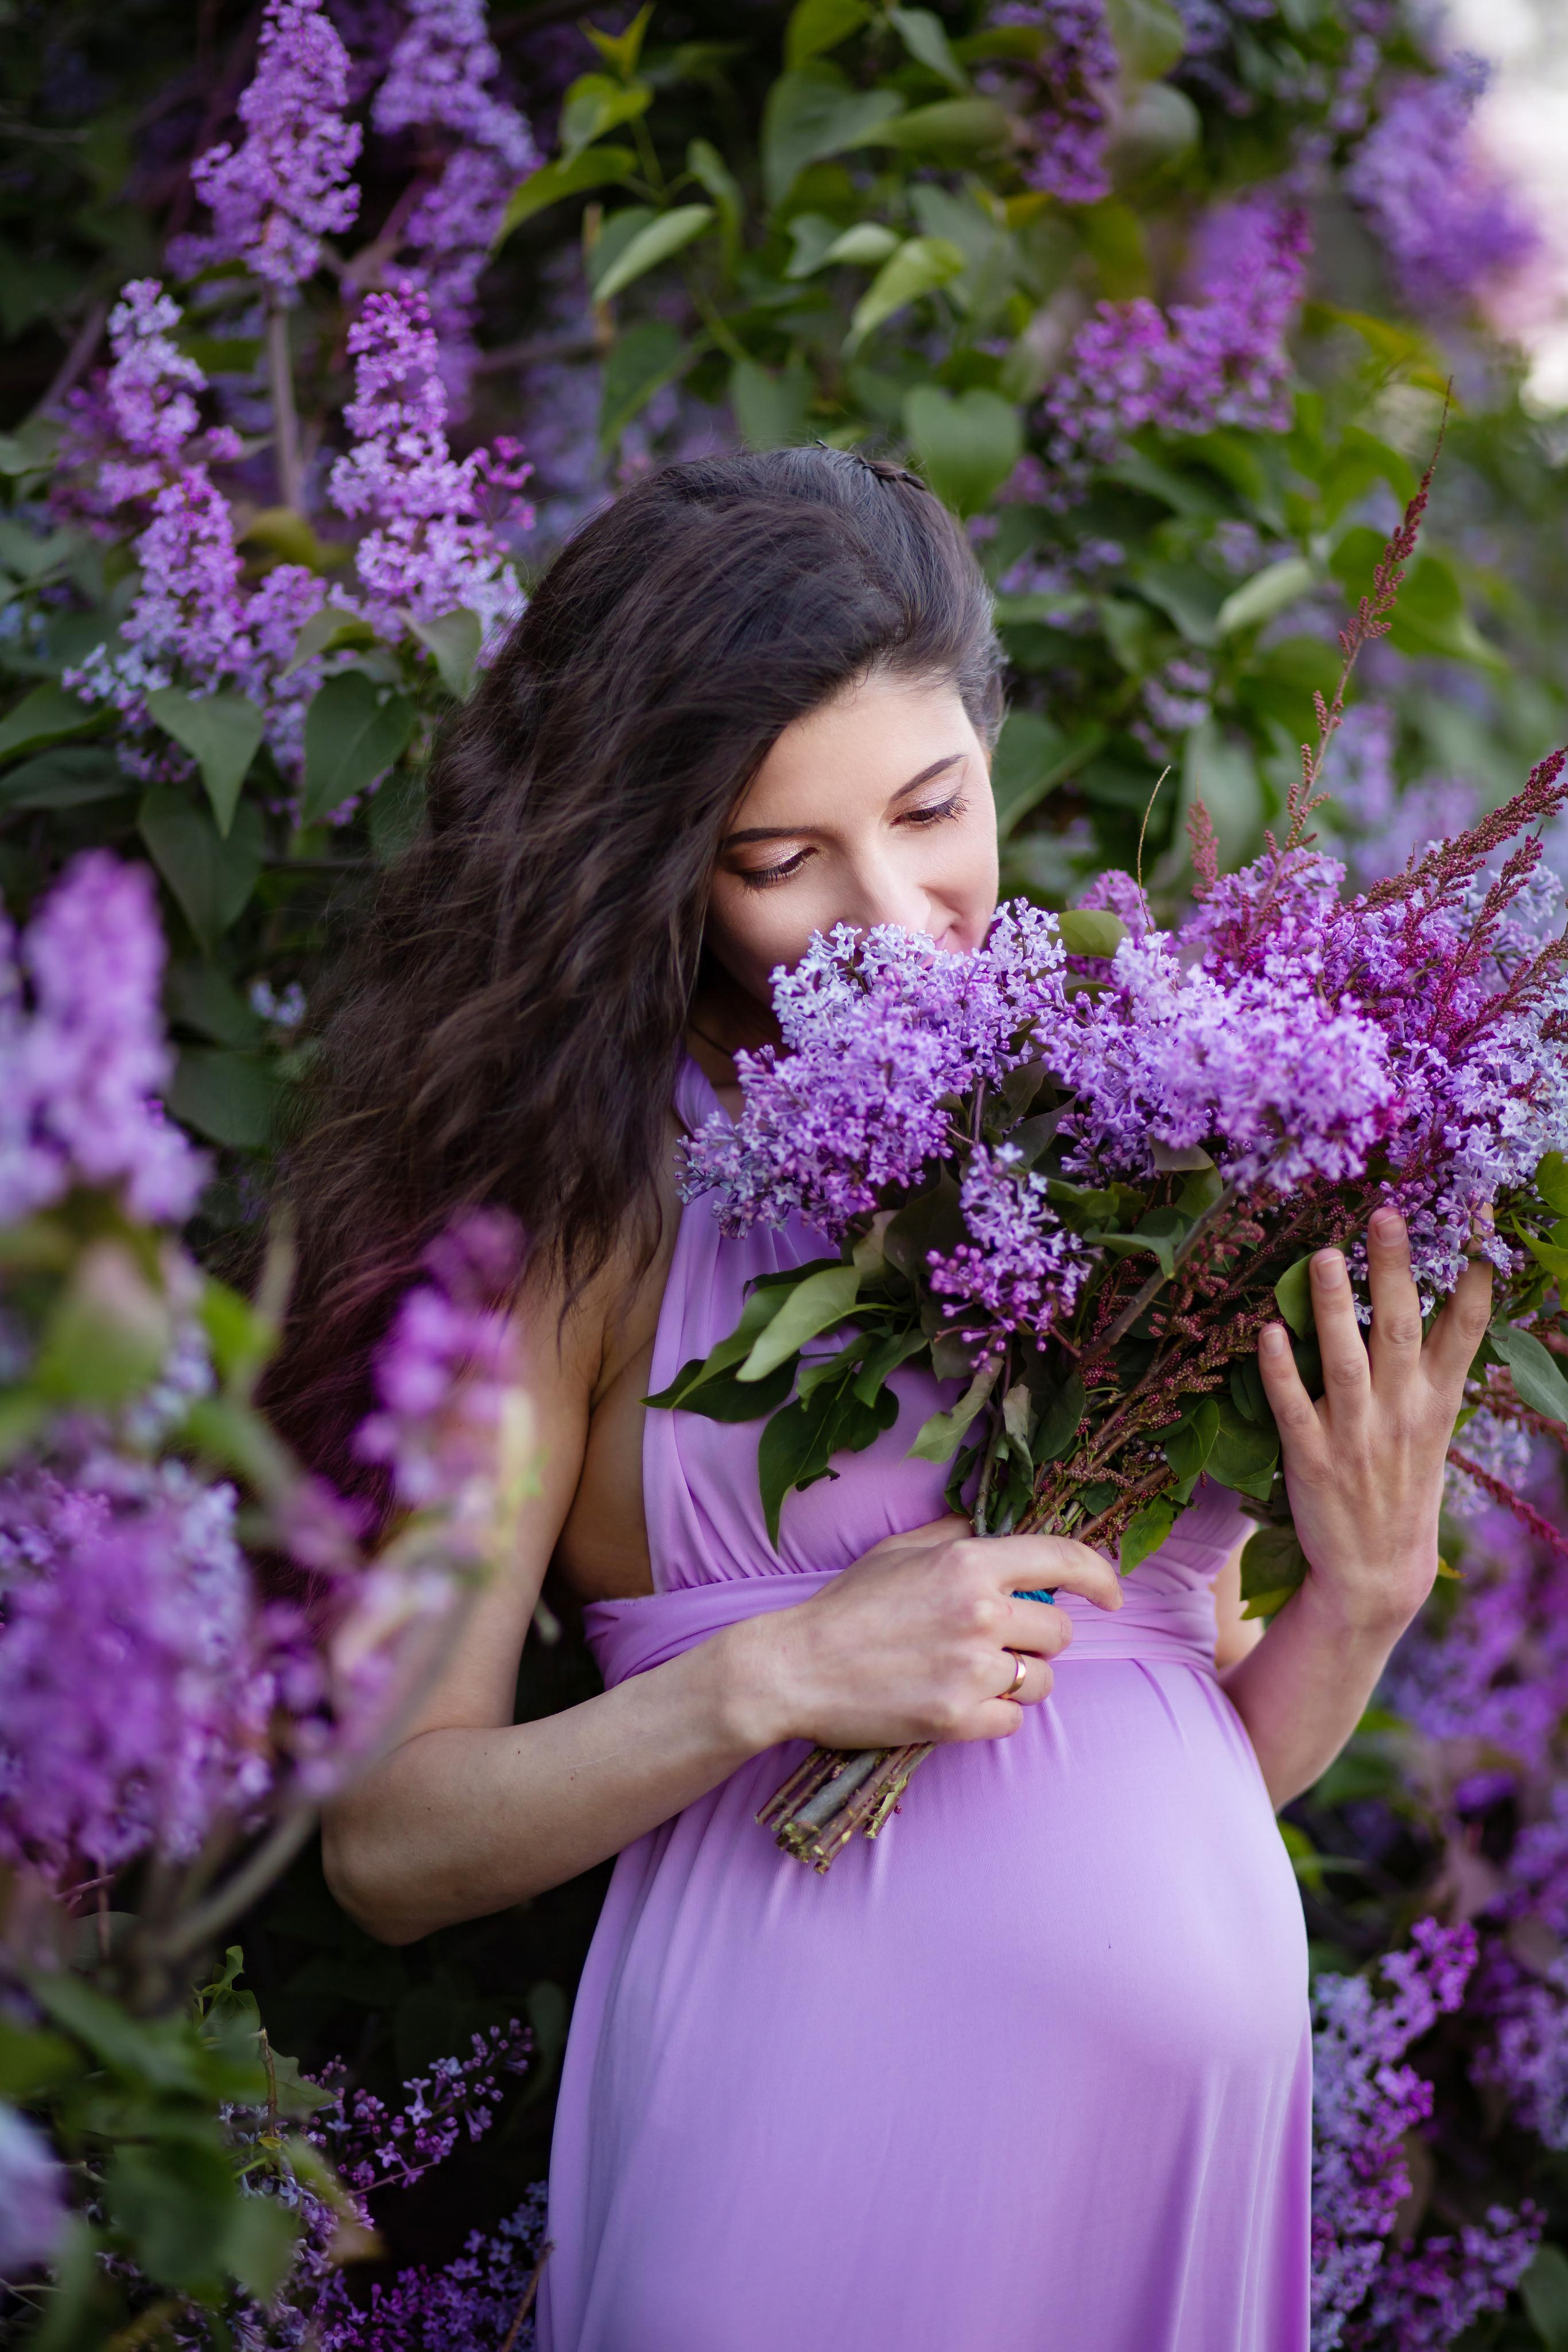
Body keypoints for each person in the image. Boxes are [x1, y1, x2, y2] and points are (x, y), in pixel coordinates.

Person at [270, 448, 1490, 2352]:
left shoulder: (1134, 1137)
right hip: (799, 2152)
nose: (892, 911)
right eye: (779, 860)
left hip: (1161, 2175)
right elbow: (392, 1846)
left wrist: (1368, 1598)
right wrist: (782, 1675)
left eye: (934, 810)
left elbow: (1179, 1754)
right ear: (657, 862)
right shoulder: (570, 1227)